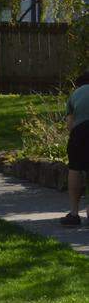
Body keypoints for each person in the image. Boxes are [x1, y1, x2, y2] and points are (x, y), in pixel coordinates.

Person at [60, 70, 89, 226]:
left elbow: (70, 125)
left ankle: (74, 213)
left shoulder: (75, 94)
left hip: (81, 132)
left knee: (75, 169)